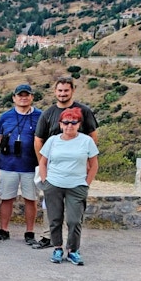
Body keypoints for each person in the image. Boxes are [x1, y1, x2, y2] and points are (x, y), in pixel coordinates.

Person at [32, 76, 99, 249]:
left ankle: (72, 247)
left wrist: (87, 167)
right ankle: (50, 240)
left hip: (77, 172)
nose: (62, 94)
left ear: (73, 91)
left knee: (74, 216)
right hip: (54, 171)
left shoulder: (84, 111)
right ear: (55, 92)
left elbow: (93, 137)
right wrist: (44, 170)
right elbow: (38, 140)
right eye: (60, 90)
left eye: (66, 90)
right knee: (52, 211)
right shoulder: (48, 113)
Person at [38, 107, 99, 266]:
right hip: (54, 185)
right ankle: (57, 248)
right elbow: (43, 162)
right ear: (60, 124)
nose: (69, 126)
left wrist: (86, 184)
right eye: (66, 122)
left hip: (77, 186)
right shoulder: (52, 141)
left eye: (73, 122)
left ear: (79, 124)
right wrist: (45, 181)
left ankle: (73, 250)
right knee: (55, 219)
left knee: (74, 220)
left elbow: (94, 165)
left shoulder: (86, 141)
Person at [0, 84, 42, 244]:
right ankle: (4, 230)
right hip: (8, 165)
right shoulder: (6, 117)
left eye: (26, 95)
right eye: (20, 95)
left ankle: (29, 232)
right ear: (14, 98)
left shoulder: (40, 116)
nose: (23, 97)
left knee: (30, 199)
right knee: (6, 198)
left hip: (31, 166)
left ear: (32, 97)